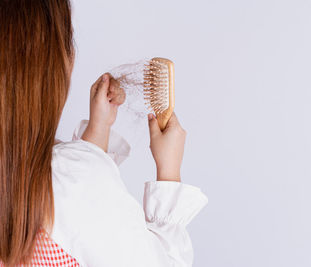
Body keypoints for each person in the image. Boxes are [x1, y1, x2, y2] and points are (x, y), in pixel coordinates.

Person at [0, 0, 208, 266]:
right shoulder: (69, 182)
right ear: (48, 68)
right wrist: (169, 174)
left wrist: (97, 132)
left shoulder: (48, 181)